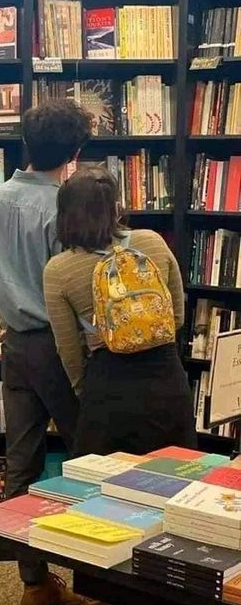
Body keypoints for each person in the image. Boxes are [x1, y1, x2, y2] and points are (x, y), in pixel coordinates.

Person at [0, 100, 119, 605]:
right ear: (76, 155)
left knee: (22, 464)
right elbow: (81, 282)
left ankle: (34, 586)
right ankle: (101, 596)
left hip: (15, 345)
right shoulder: (63, 208)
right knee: (97, 463)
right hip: (64, 348)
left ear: (27, 144)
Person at [43, 165, 197, 458]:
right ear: (116, 208)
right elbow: (177, 315)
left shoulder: (58, 270)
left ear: (65, 215)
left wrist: (86, 391)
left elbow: (69, 350)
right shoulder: (152, 241)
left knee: (103, 492)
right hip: (166, 376)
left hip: (108, 385)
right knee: (177, 477)